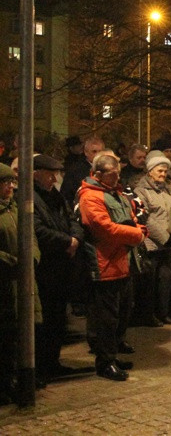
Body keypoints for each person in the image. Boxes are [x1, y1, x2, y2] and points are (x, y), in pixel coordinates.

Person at [79, 154, 147, 381]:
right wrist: (136, 234)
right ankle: (105, 362)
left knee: (122, 312)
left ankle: (112, 355)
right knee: (106, 318)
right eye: (113, 174)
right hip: (105, 263)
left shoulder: (115, 193)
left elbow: (130, 218)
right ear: (97, 175)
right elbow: (104, 229)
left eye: (118, 173)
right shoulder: (91, 197)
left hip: (122, 261)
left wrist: (136, 228)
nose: (118, 177)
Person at [32, 155, 89, 383]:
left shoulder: (55, 196)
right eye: (49, 174)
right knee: (45, 320)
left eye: (55, 174)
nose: (53, 179)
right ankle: (40, 366)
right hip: (46, 267)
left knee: (57, 318)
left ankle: (53, 363)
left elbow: (73, 219)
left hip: (62, 266)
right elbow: (38, 229)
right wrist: (67, 242)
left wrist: (75, 238)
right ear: (36, 173)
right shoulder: (30, 198)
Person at [1, 163, 43, 401]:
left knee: (25, 330)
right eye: (5, 183)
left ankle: (23, 375)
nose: (10, 187)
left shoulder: (16, 209)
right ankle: (7, 382)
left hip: (24, 280)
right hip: (6, 282)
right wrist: (12, 261)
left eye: (11, 182)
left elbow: (31, 237)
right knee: (7, 335)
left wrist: (32, 258)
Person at [133, 154, 171, 326]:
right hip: (151, 244)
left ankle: (163, 312)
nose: (163, 174)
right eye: (160, 171)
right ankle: (148, 314)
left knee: (166, 279)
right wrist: (164, 237)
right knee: (150, 282)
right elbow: (145, 218)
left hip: (168, 243)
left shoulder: (166, 189)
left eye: (165, 170)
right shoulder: (141, 191)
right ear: (150, 171)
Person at [61, 136, 105, 206]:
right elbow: (66, 194)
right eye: (94, 151)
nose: (98, 155)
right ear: (86, 152)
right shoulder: (75, 171)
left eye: (100, 152)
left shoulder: (108, 169)